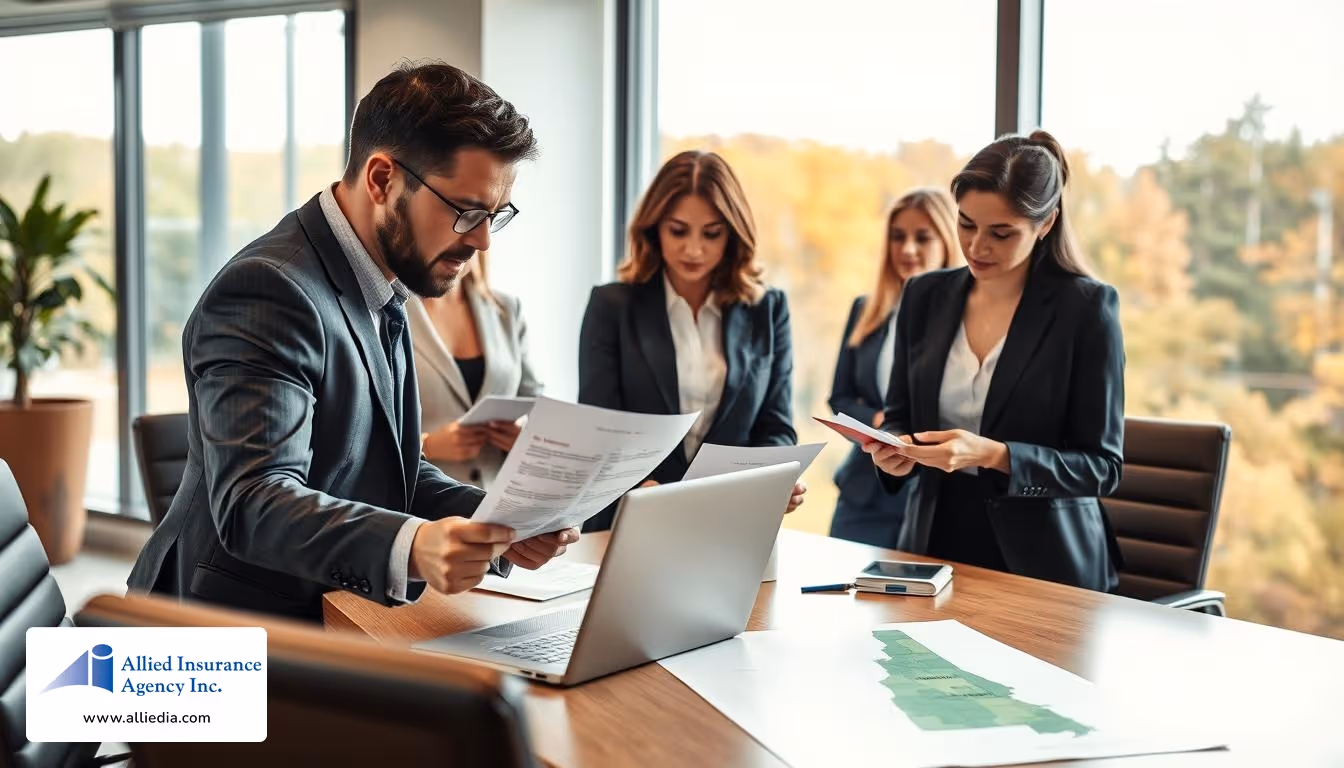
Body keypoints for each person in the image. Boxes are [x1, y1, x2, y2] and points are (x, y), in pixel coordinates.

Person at [127, 63, 579, 622]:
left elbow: (389, 468)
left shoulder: (379, 282)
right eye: (466, 211)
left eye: (494, 216)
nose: (482, 241)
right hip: (217, 636)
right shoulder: (271, 290)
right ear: (383, 179)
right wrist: (415, 545)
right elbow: (254, 503)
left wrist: (497, 519)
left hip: (327, 610)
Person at [864, 130, 1125, 592]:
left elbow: (1103, 467)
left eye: (1001, 233)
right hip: (931, 544)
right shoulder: (923, 296)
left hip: (1044, 562)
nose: (977, 247)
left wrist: (995, 455)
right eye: (966, 225)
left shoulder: (1085, 310)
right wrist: (890, 450)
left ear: (1045, 224)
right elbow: (901, 415)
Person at [577, 150, 805, 532]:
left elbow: (777, 426)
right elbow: (600, 434)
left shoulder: (768, 308)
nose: (694, 249)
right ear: (654, 228)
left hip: (733, 522)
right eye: (678, 230)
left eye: (711, 233)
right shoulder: (612, 306)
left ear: (732, 233)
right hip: (630, 521)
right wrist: (635, 488)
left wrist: (777, 479)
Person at [828, 187, 963, 548]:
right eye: (898, 237)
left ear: (947, 241)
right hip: (864, 492)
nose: (907, 249)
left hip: (933, 491)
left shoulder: (966, 319)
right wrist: (878, 424)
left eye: (922, 238)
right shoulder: (866, 309)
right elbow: (840, 397)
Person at [410, 249, 542, 489]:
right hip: (424, 505)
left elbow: (539, 406)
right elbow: (369, 434)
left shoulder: (507, 309)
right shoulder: (394, 310)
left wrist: (524, 437)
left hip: (498, 501)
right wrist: (427, 446)